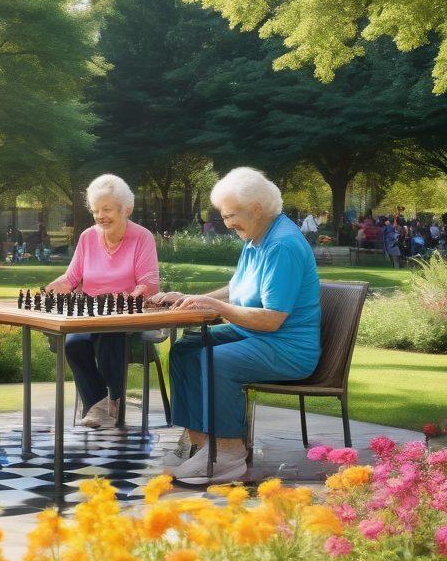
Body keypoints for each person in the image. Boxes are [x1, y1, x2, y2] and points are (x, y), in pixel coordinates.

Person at [151, 167, 320, 483]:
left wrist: (216, 307)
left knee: (216, 361)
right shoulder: (257, 237)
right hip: (255, 336)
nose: (226, 224)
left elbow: (271, 320)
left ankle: (228, 454)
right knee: (185, 349)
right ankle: (201, 443)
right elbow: (235, 289)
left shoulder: (281, 245)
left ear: (256, 208)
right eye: (224, 217)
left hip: (287, 348)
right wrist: (193, 298)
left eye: (231, 216)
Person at [46, 174, 159, 429]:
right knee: (74, 343)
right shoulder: (88, 237)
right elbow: (71, 278)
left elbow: (150, 284)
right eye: (96, 210)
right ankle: (100, 403)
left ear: (125, 209)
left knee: (111, 336)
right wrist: (55, 288)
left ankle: (112, 406)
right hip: (91, 312)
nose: (100, 216)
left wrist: (127, 298)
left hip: (126, 316)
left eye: (107, 209)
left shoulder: (142, 238)